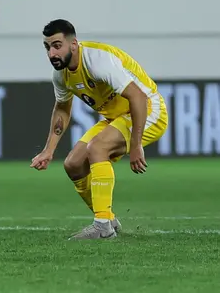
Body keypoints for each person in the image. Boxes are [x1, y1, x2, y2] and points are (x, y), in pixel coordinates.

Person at [30, 19, 168, 240]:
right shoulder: (61, 75)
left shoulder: (97, 60)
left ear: (73, 44)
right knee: (73, 164)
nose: (51, 54)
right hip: (117, 116)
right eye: (47, 47)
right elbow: (62, 109)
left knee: (97, 148)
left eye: (57, 46)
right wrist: (48, 151)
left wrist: (136, 145)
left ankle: (102, 226)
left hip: (149, 110)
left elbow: (138, 97)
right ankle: (108, 220)